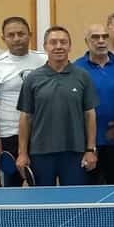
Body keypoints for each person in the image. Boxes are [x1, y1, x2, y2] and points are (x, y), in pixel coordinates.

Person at [16, 26, 98, 186]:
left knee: (74, 199)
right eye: (53, 42)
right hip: (40, 153)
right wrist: (22, 153)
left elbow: (90, 115)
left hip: (75, 152)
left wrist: (90, 150)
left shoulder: (83, 76)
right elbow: (25, 117)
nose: (59, 46)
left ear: (70, 46)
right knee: (43, 199)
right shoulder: (33, 78)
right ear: (45, 46)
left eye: (63, 42)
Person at [0, 17, 47, 187]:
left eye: (21, 34)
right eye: (11, 35)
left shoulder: (45, 61)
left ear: (30, 35)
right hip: (8, 137)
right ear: (3, 38)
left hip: (41, 135)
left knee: (42, 189)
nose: (17, 39)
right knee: (9, 191)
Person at [74, 24, 114, 184]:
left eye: (105, 37)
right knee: (89, 191)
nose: (101, 41)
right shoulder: (76, 68)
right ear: (86, 41)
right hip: (86, 144)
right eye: (95, 37)